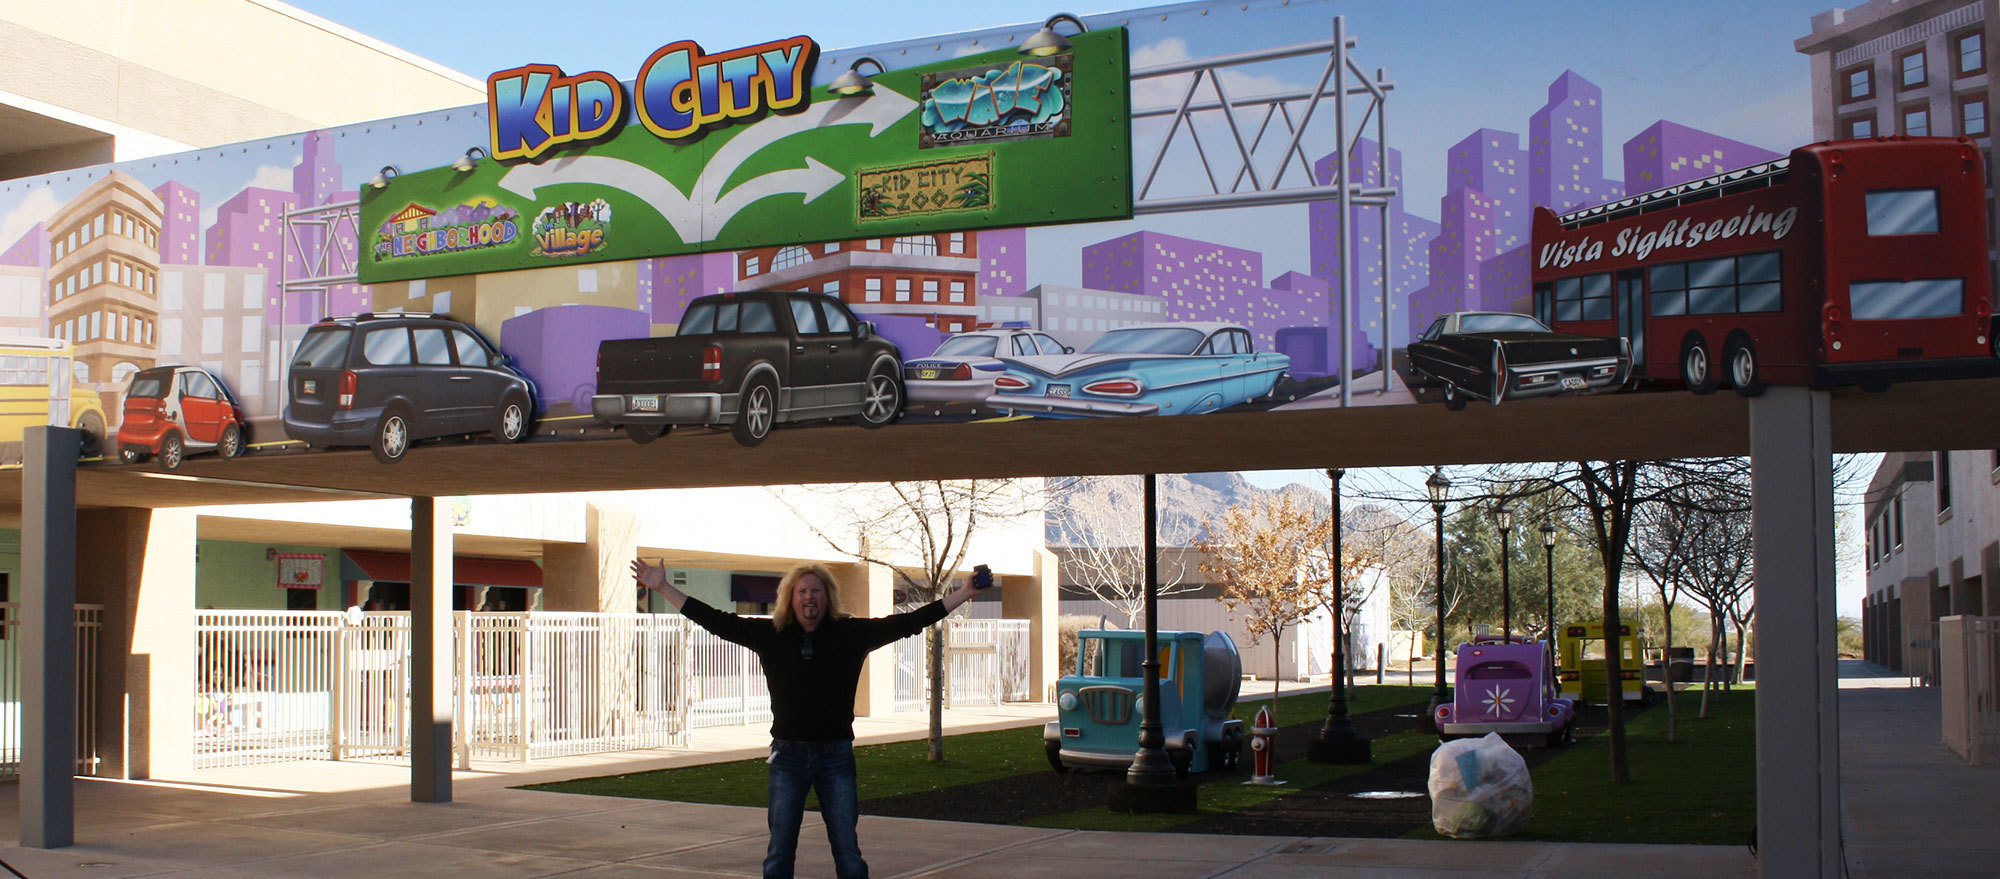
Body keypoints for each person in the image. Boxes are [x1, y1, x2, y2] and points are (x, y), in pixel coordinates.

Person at [631, 559, 991, 879]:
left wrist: (965, 592)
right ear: (790, 597)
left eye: (816, 591)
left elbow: (911, 621)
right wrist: (662, 587)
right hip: (787, 757)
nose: (809, 597)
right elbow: (715, 621)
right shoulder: (771, 636)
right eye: (802, 590)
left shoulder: (850, 635)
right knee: (779, 853)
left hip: (836, 756)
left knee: (848, 852)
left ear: (827, 597)